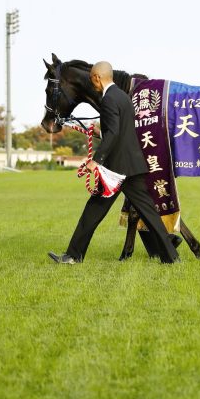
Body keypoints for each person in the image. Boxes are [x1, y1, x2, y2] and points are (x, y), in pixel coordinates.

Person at [48, 61, 180, 265]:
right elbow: (120, 130)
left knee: (92, 211)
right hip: (132, 165)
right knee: (149, 212)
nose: (93, 84)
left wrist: (96, 160)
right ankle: (172, 257)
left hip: (115, 169)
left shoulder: (107, 99)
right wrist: (95, 130)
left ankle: (73, 255)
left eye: (93, 79)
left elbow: (114, 133)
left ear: (96, 78)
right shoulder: (123, 97)